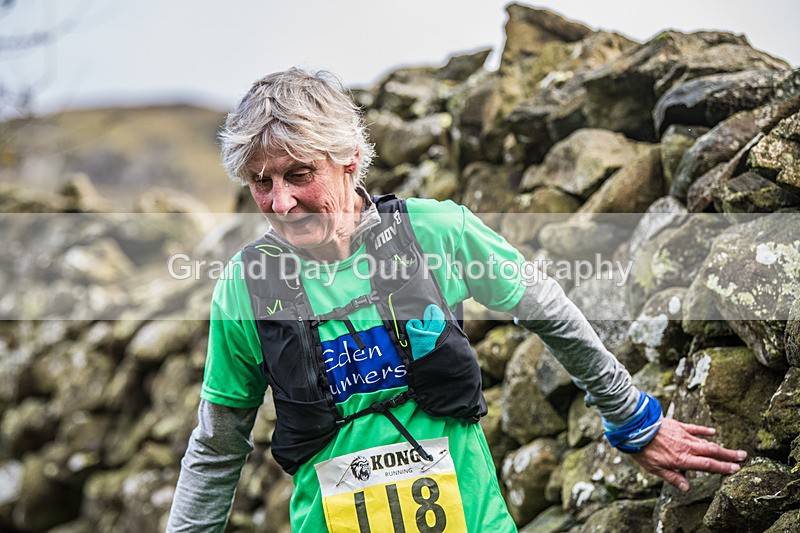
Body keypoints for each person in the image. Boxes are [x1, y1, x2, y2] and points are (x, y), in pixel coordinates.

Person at [166, 68, 747, 532]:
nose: (282, 202)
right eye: (262, 183)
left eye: (299, 175)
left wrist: (631, 419)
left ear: (348, 160)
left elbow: (546, 307)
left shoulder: (436, 233)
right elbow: (217, 446)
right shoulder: (246, 286)